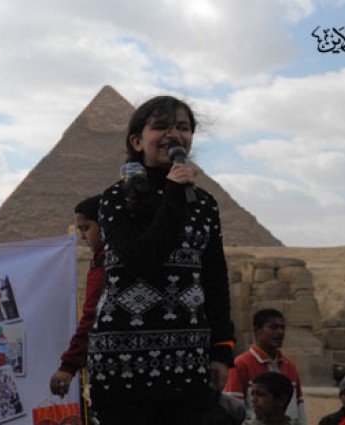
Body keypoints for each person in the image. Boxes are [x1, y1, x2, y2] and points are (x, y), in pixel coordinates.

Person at [86, 95, 235, 425]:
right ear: (137, 142)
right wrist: (174, 194)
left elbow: (214, 279)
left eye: (183, 127)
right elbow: (142, 260)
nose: (174, 134)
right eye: (161, 126)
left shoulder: (204, 203)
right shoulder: (115, 198)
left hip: (188, 360)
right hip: (123, 364)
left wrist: (222, 349)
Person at [50, 194, 105, 397]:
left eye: (86, 228)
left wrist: (68, 366)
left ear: (105, 225)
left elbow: (93, 315)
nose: (82, 236)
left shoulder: (106, 264)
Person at [225, 308, 307, 425]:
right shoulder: (241, 364)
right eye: (273, 327)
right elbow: (233, 409)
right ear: (257, 331)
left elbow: (299, 407)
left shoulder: (289, 365)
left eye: (282, 328)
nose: (280, 332)